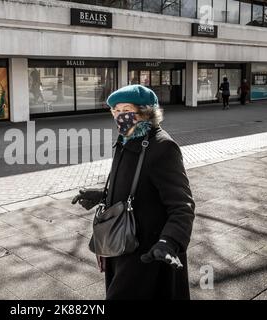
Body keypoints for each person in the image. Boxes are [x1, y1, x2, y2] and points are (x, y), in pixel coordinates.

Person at [72, 84, 195, 300]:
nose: (120, 116)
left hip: (149, 252)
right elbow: (136, 188)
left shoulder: (162, 146)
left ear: (146, 111)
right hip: (121, 245)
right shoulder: (125, 141)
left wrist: (170, 241)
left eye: (126, 110)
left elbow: (182, 206)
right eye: (116, 111)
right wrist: (102, 195)